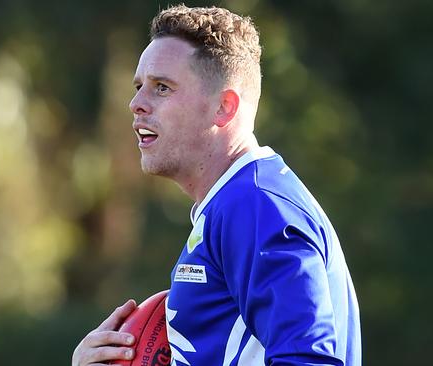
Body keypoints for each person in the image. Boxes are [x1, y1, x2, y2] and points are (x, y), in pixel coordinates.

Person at [72, 4, 361, 366]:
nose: (136, 104)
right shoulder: (233, 203)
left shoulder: (256, 207)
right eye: (138, 87)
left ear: (224, 107)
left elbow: (310, 361)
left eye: (161, 87)